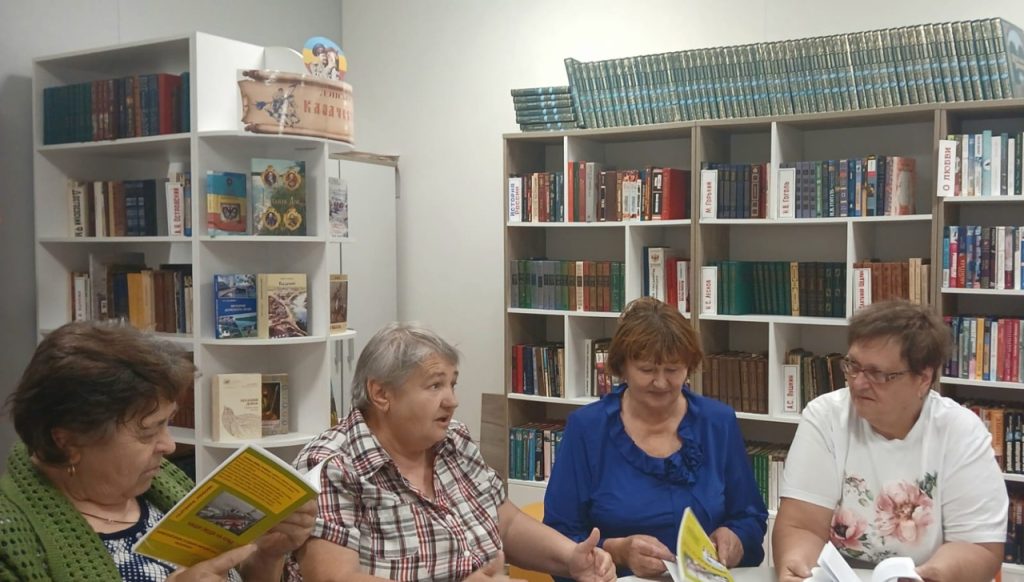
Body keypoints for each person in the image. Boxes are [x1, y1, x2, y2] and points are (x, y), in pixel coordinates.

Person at [287, 322, 616, 582]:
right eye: (435, 385)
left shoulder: (454, 439)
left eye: (452, 384)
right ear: (381, 394)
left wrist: (571, 558)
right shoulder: (331, 465)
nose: (452, 401)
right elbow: (335, 577)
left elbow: (506, 523)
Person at [0, 321, 316, 581]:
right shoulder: (11, 536)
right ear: (67, 442)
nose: (169, 446)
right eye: (148, 431)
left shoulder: (165, 484)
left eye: (167, 423)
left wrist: (266, 556)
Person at [773, 300, 1008, 582]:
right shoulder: (825, 417)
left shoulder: (960, 431)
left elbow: (978, 546)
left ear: (923, 379)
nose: (858, 383)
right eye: (853, 366)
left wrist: (933, 574)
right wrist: (798, 568)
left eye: (878, 374)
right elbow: (801, 526)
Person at [543, 296, 768, 579]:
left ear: (689, 367)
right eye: (647, 370)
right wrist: (617, 551)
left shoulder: (717, 422)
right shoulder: (587, 429)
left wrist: (735, 538)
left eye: (673, 370)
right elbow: (559, 539)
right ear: (622, 368)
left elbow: (751, 517)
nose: (661, 382)